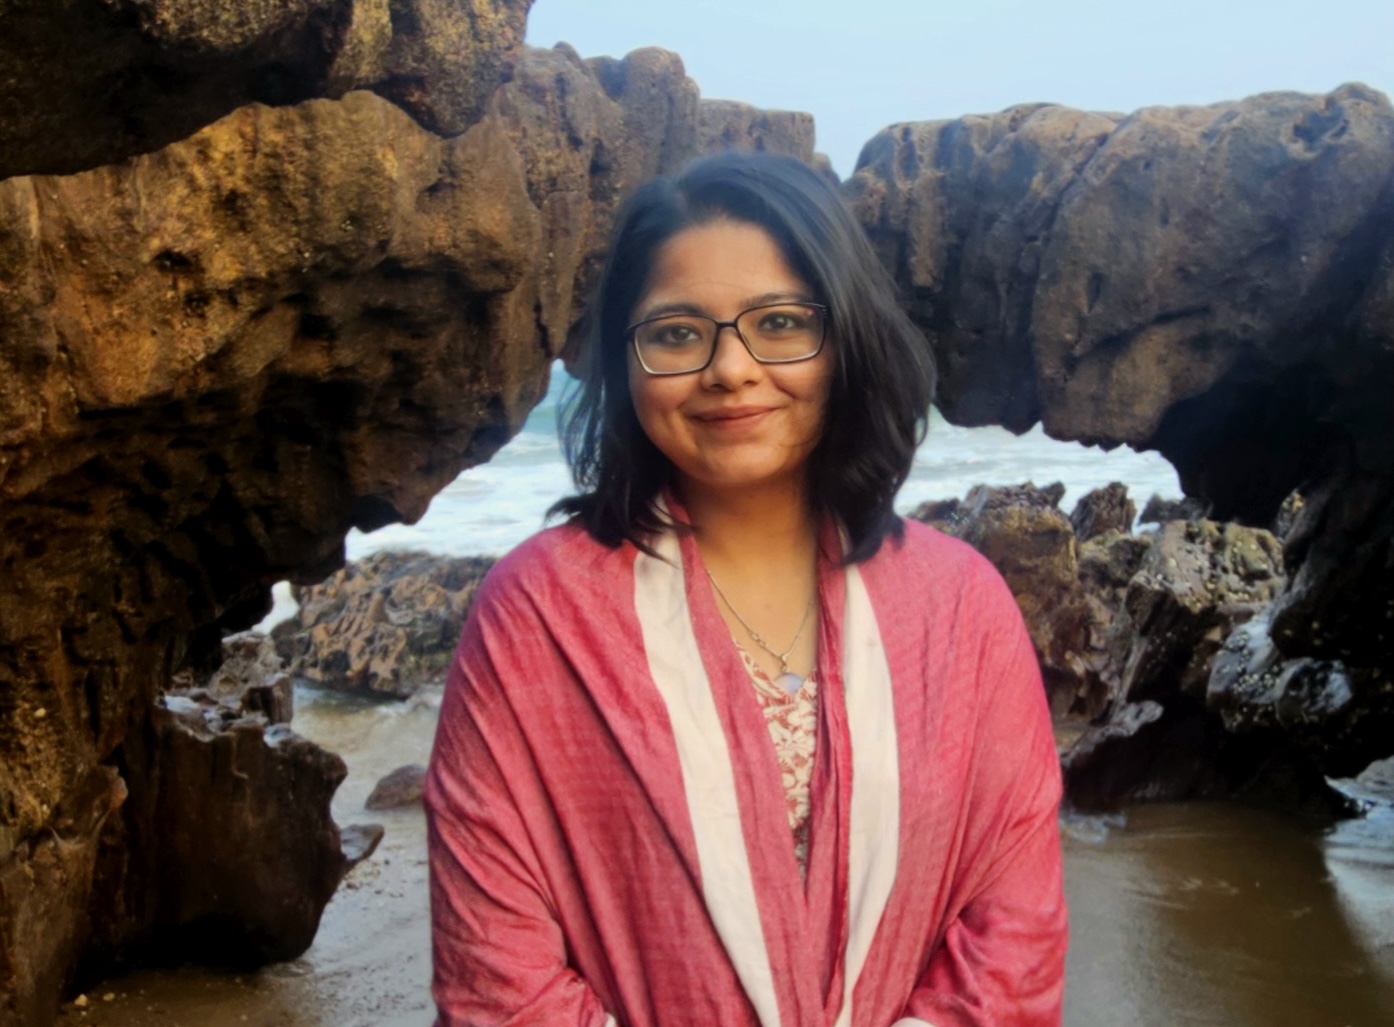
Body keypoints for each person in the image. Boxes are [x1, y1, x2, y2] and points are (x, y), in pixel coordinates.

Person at [424, 151, 1067, 1027]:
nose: (730, 369)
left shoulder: (964, 609)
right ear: (626, 362)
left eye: (779, 322)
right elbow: (498, 980)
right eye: (679, 332)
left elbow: (1013, 937)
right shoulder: (537, 615)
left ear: (847, 340)